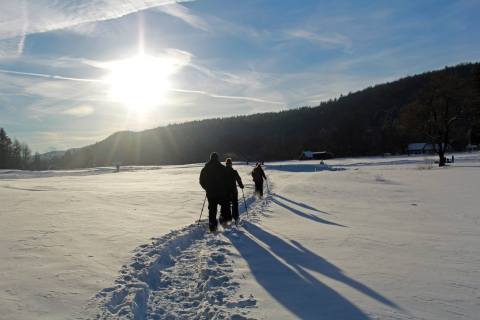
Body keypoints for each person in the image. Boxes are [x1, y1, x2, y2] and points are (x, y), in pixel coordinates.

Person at [199, 152, 231, 232]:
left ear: (210, 159)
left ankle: (212, 228)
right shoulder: (222, 168)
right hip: (222, 193)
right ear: (217, 158)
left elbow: (201, 181)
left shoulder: (205, 169)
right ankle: (223, 223)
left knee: (212, 210)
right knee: (224, 207)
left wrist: (207, 188)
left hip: (211, 194)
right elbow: (228, 181)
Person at [225, 158, 244, 224]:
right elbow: (238, 179)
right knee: (235, 204)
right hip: (233, 191)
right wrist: (241, 186)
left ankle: (228, 218)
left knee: (227, 205)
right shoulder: (234, 171)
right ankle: (235, 217)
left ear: (226, 164)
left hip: (226, 192)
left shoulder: (223, 172)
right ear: (231, 164)